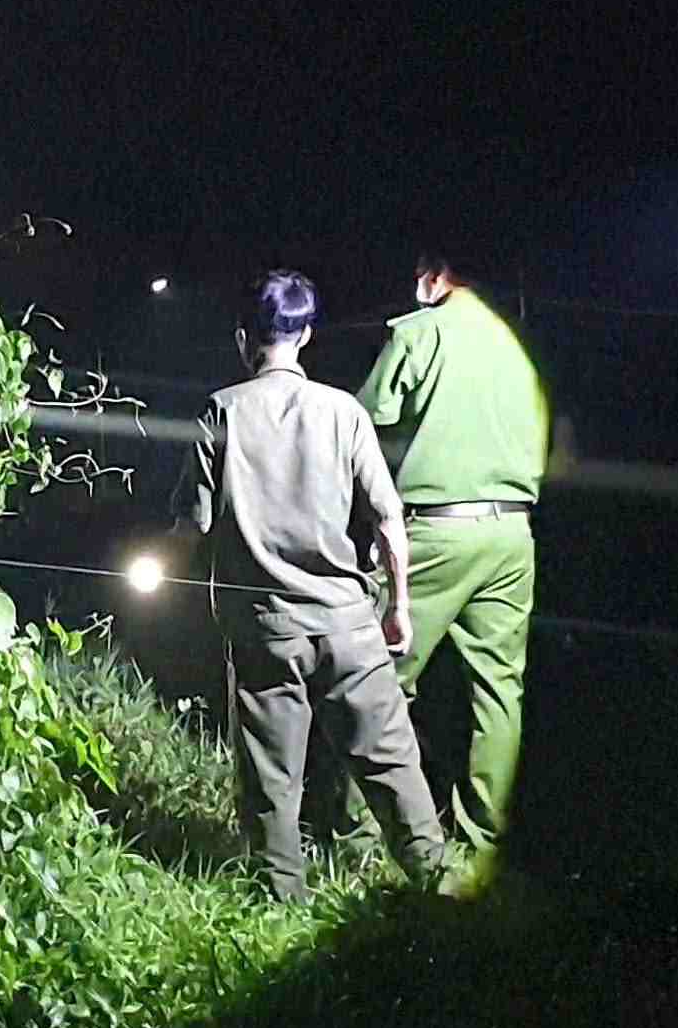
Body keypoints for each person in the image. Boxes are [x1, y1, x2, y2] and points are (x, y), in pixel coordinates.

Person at [170, 270, 446, 903]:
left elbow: (194, 525)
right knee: (392, 764)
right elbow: (386, 518)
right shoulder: (344, 411)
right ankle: (437, 887)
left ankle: (281, 901)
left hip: (266, 625)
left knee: (272, 777)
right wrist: (398, 606)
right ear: (307, 335)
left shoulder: (222, 410)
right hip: (348, 621)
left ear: (246, 339)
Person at [355, 251, 548, 870]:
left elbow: (362, 421)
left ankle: (359, 835)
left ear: (436, 275)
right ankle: (482, 849)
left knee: (372, 677)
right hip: (513, 535)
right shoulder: (515, 349)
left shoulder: (421, 332)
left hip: (438, 532)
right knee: (499, 692)